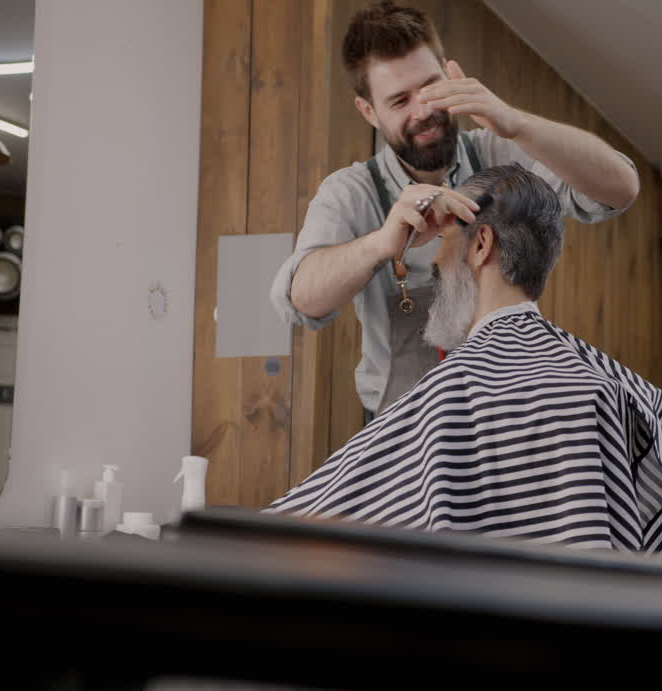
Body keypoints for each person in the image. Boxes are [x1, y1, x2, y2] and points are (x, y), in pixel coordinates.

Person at [267, 165, 662, 557]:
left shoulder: (449, 399)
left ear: (481, 245)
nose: (435, 259)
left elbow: (294, 534)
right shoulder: (639, 394)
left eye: (444, 241)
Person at [270, 1, 640, 421]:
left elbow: (621, 189)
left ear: (449, 72)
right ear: (368, 111)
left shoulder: (500, 154)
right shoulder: (351, 193)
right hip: (402, 434)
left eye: (430, 87)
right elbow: (299, 299)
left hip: (503, 421)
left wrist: (515, 123)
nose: (423, 111)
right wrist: (379, 245)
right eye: (399, 101)